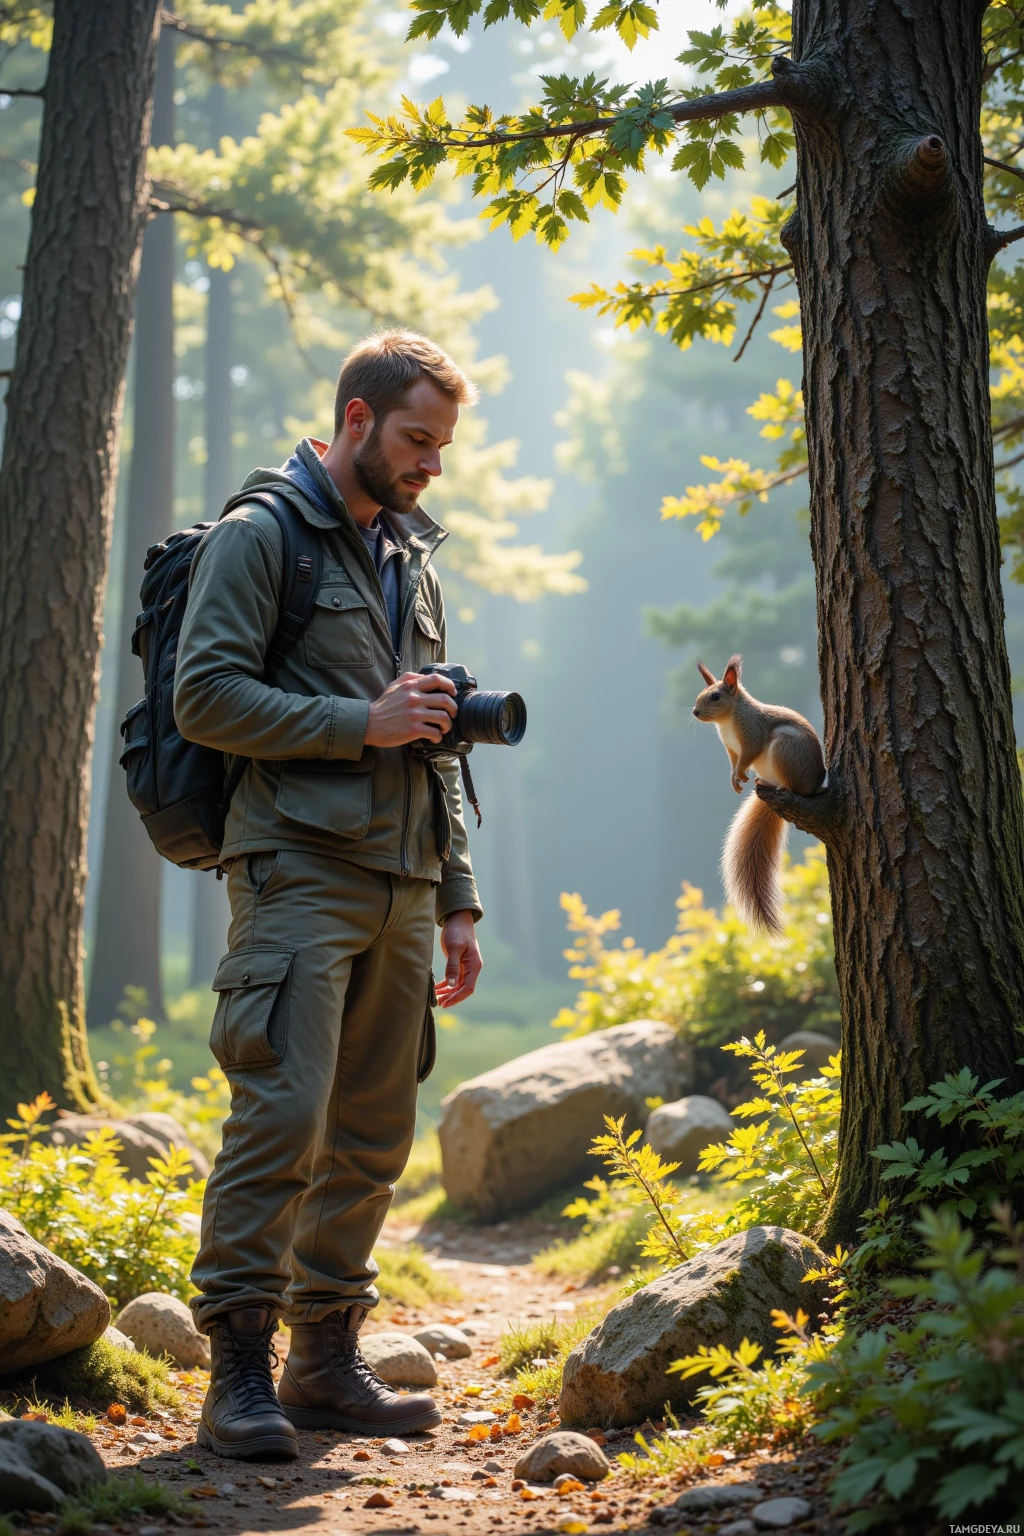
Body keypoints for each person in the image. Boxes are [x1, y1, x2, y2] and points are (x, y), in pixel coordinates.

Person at [173, 329, 484, 1460]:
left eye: (442, 446)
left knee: (370, 1134)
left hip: (404, 886)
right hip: (295, 871)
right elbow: (204, 698)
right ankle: (238, 1377)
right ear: (355, 420)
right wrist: (359, 723)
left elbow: (436, 736)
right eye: (415, 440)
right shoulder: (262, 537)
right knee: (282, 1118)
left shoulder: (411, 555)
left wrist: (457, 894)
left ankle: (323, 1363)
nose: (429, 466)